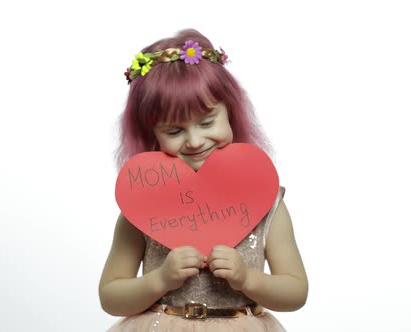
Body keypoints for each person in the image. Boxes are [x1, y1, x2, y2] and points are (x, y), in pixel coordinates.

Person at [99, 28, 308, 331]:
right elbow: (111, 296)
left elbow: (295, 292)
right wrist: (160, 279)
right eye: (174, 131)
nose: (195, 140)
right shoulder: (143, 205)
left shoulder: (265, 201)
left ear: (231, 113)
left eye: (207, 121)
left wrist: (247, 278)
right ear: (151, 135)